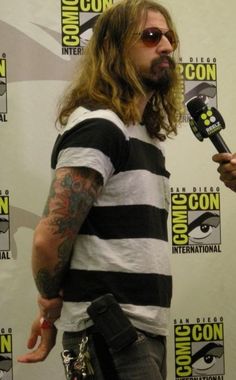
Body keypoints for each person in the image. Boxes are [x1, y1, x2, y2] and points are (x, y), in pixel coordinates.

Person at [18, 0, 183, 379]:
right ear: (115, 48)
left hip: (139, 333)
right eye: (151, 36)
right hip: (113, 336)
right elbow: (49, 239)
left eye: (169, 36)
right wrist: (49, 306)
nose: (167, 47)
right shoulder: (101, 127)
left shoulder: (140, 134)